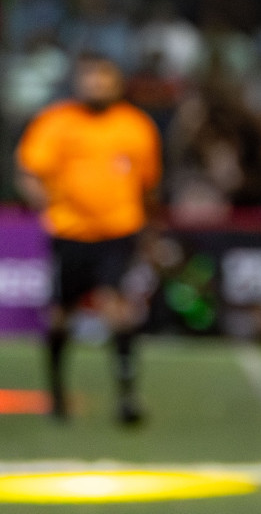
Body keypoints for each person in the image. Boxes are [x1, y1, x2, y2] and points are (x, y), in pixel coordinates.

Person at [14, 53, 162, 425]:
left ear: (116, 82)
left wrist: (147, 226)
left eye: (104, 78)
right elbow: (30, 170)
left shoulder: (135, 126)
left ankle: (127, 398)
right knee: (61, 315)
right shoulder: (56, 122)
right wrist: (44, 202)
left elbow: (148, 182)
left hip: (117, 231)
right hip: (71, 233)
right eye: (90, 79)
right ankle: (57, 393)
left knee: (117, 308)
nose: (96, 85)